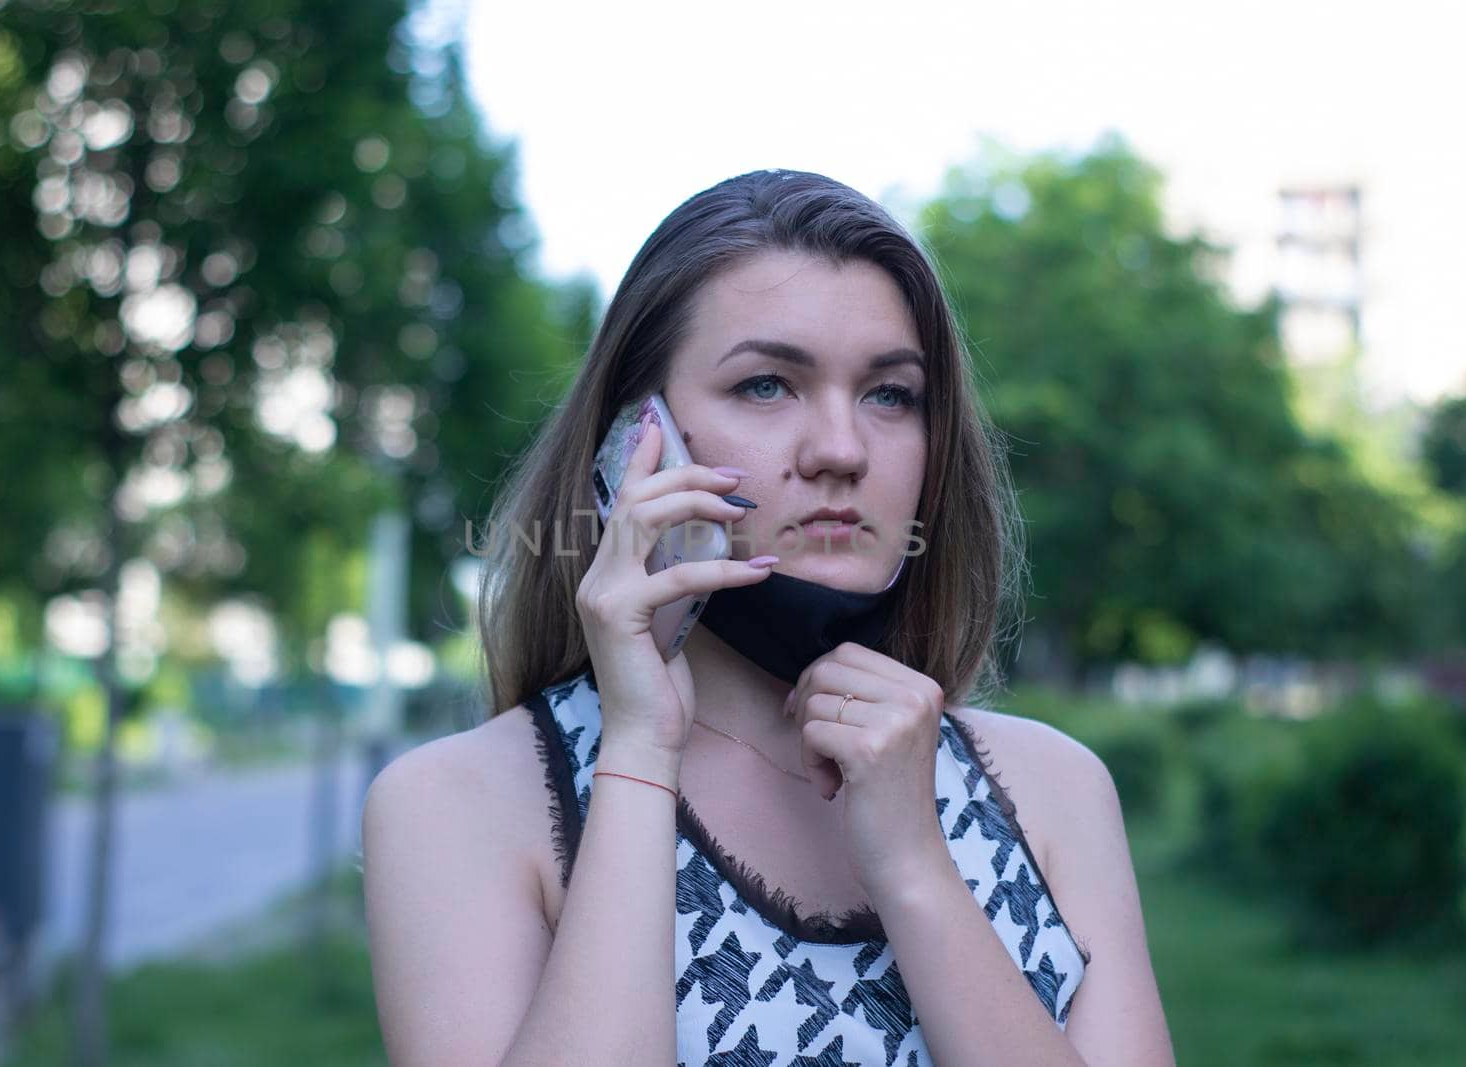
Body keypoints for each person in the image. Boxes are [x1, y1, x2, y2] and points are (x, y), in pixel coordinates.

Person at [363, 169, 1175, 1065]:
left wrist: (914, 865)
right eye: (765, 385)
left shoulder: (1054, 790)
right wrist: (637, 752)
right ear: (637, 440)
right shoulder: (464, 803)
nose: (840, 450)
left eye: (890, 394)